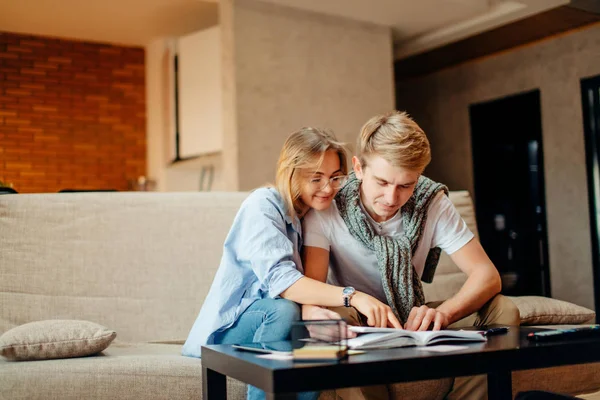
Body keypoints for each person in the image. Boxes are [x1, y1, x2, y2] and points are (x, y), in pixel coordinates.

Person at [301, 111, 521, 400]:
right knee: (334, 318)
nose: (392, 198)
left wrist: (444, 313)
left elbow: (487, 276)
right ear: (358, 168)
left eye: (406, 185)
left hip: (409, 316)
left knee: (504, 310)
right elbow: (313, 288)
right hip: (356, 315)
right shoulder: (328, 206)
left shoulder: (432, 202)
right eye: (382, 182)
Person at [182, 127, 401, 400]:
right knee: (282, 311)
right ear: (291, 173)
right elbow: (282, 282)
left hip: (285, 321)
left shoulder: (311, 217)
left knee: (320, 340)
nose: (328, 187)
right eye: (316, 178)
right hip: (233, 328)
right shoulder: (263, 204)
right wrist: (352, 297)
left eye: (334, 177)